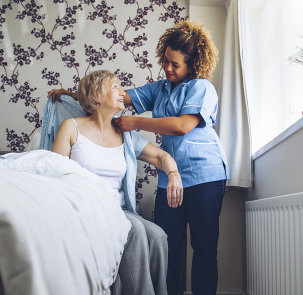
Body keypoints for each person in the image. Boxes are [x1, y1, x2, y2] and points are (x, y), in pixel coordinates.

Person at [48, 19, 230, 295]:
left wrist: (137, 123)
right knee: (168, 242)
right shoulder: (160, 88)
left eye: (175, 64)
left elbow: (183, 126)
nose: (168, 68)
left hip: (206, 174)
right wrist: (73, 95)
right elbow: (110, 96)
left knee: (204, 247)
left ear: (193, 64)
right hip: (169, 178)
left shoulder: (202, 88)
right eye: (166, 61)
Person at [51, 70, 183, 295]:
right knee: (137, 230)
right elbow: (55, 173)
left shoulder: (126, 135)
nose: (123, 92)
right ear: (96, 94)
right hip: (86, 209)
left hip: (118, 209)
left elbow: (161, 156)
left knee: (159, 236)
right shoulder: (71, 127)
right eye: (115, 87)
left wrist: (173, 173)